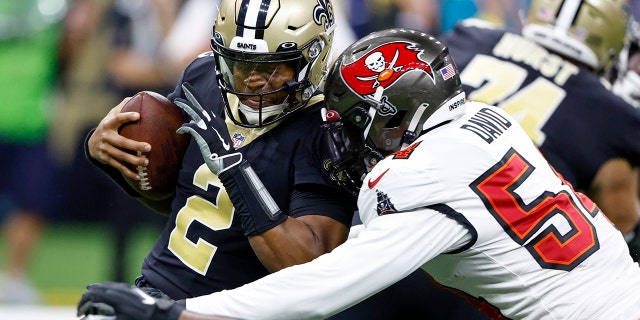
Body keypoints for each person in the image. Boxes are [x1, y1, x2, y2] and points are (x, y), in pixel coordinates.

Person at [76, 27, 640, 320]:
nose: (339, 138)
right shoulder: (491, 124)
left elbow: (322, 286)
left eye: (350, 121)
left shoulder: (418, 179)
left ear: (395, 119)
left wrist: (177, 315)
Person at [441, 0, 640, 261]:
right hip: (496, 262)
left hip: (399, 205)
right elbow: (622, 230)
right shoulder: (612, 114)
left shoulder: (468, 37)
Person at [0, 0, 66, 304]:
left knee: (32, 202)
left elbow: (70, 47)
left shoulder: (51, 5)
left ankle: (13, 277)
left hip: (32, 121)